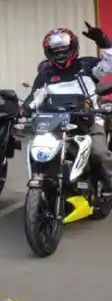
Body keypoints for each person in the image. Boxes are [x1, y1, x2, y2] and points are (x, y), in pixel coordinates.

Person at [21, 23, 112, 194]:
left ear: (73, 48)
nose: (60, 54)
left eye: (64, 50)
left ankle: (109, 186)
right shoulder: (45, 74)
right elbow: (35, 97)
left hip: (90, 119)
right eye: (56, 51)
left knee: (99, 153)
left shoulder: (87, 65)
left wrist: (103, 42)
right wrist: (22, 110)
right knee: (40, 150)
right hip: (56, 123)